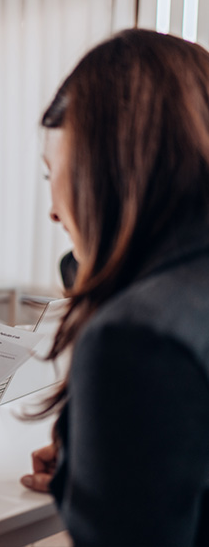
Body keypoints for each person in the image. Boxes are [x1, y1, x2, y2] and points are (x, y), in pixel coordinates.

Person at [20, 28, 209, 545]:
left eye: (52, 174)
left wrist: (87, 482)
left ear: (103, 171)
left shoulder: (137, 338)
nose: (56, 210)